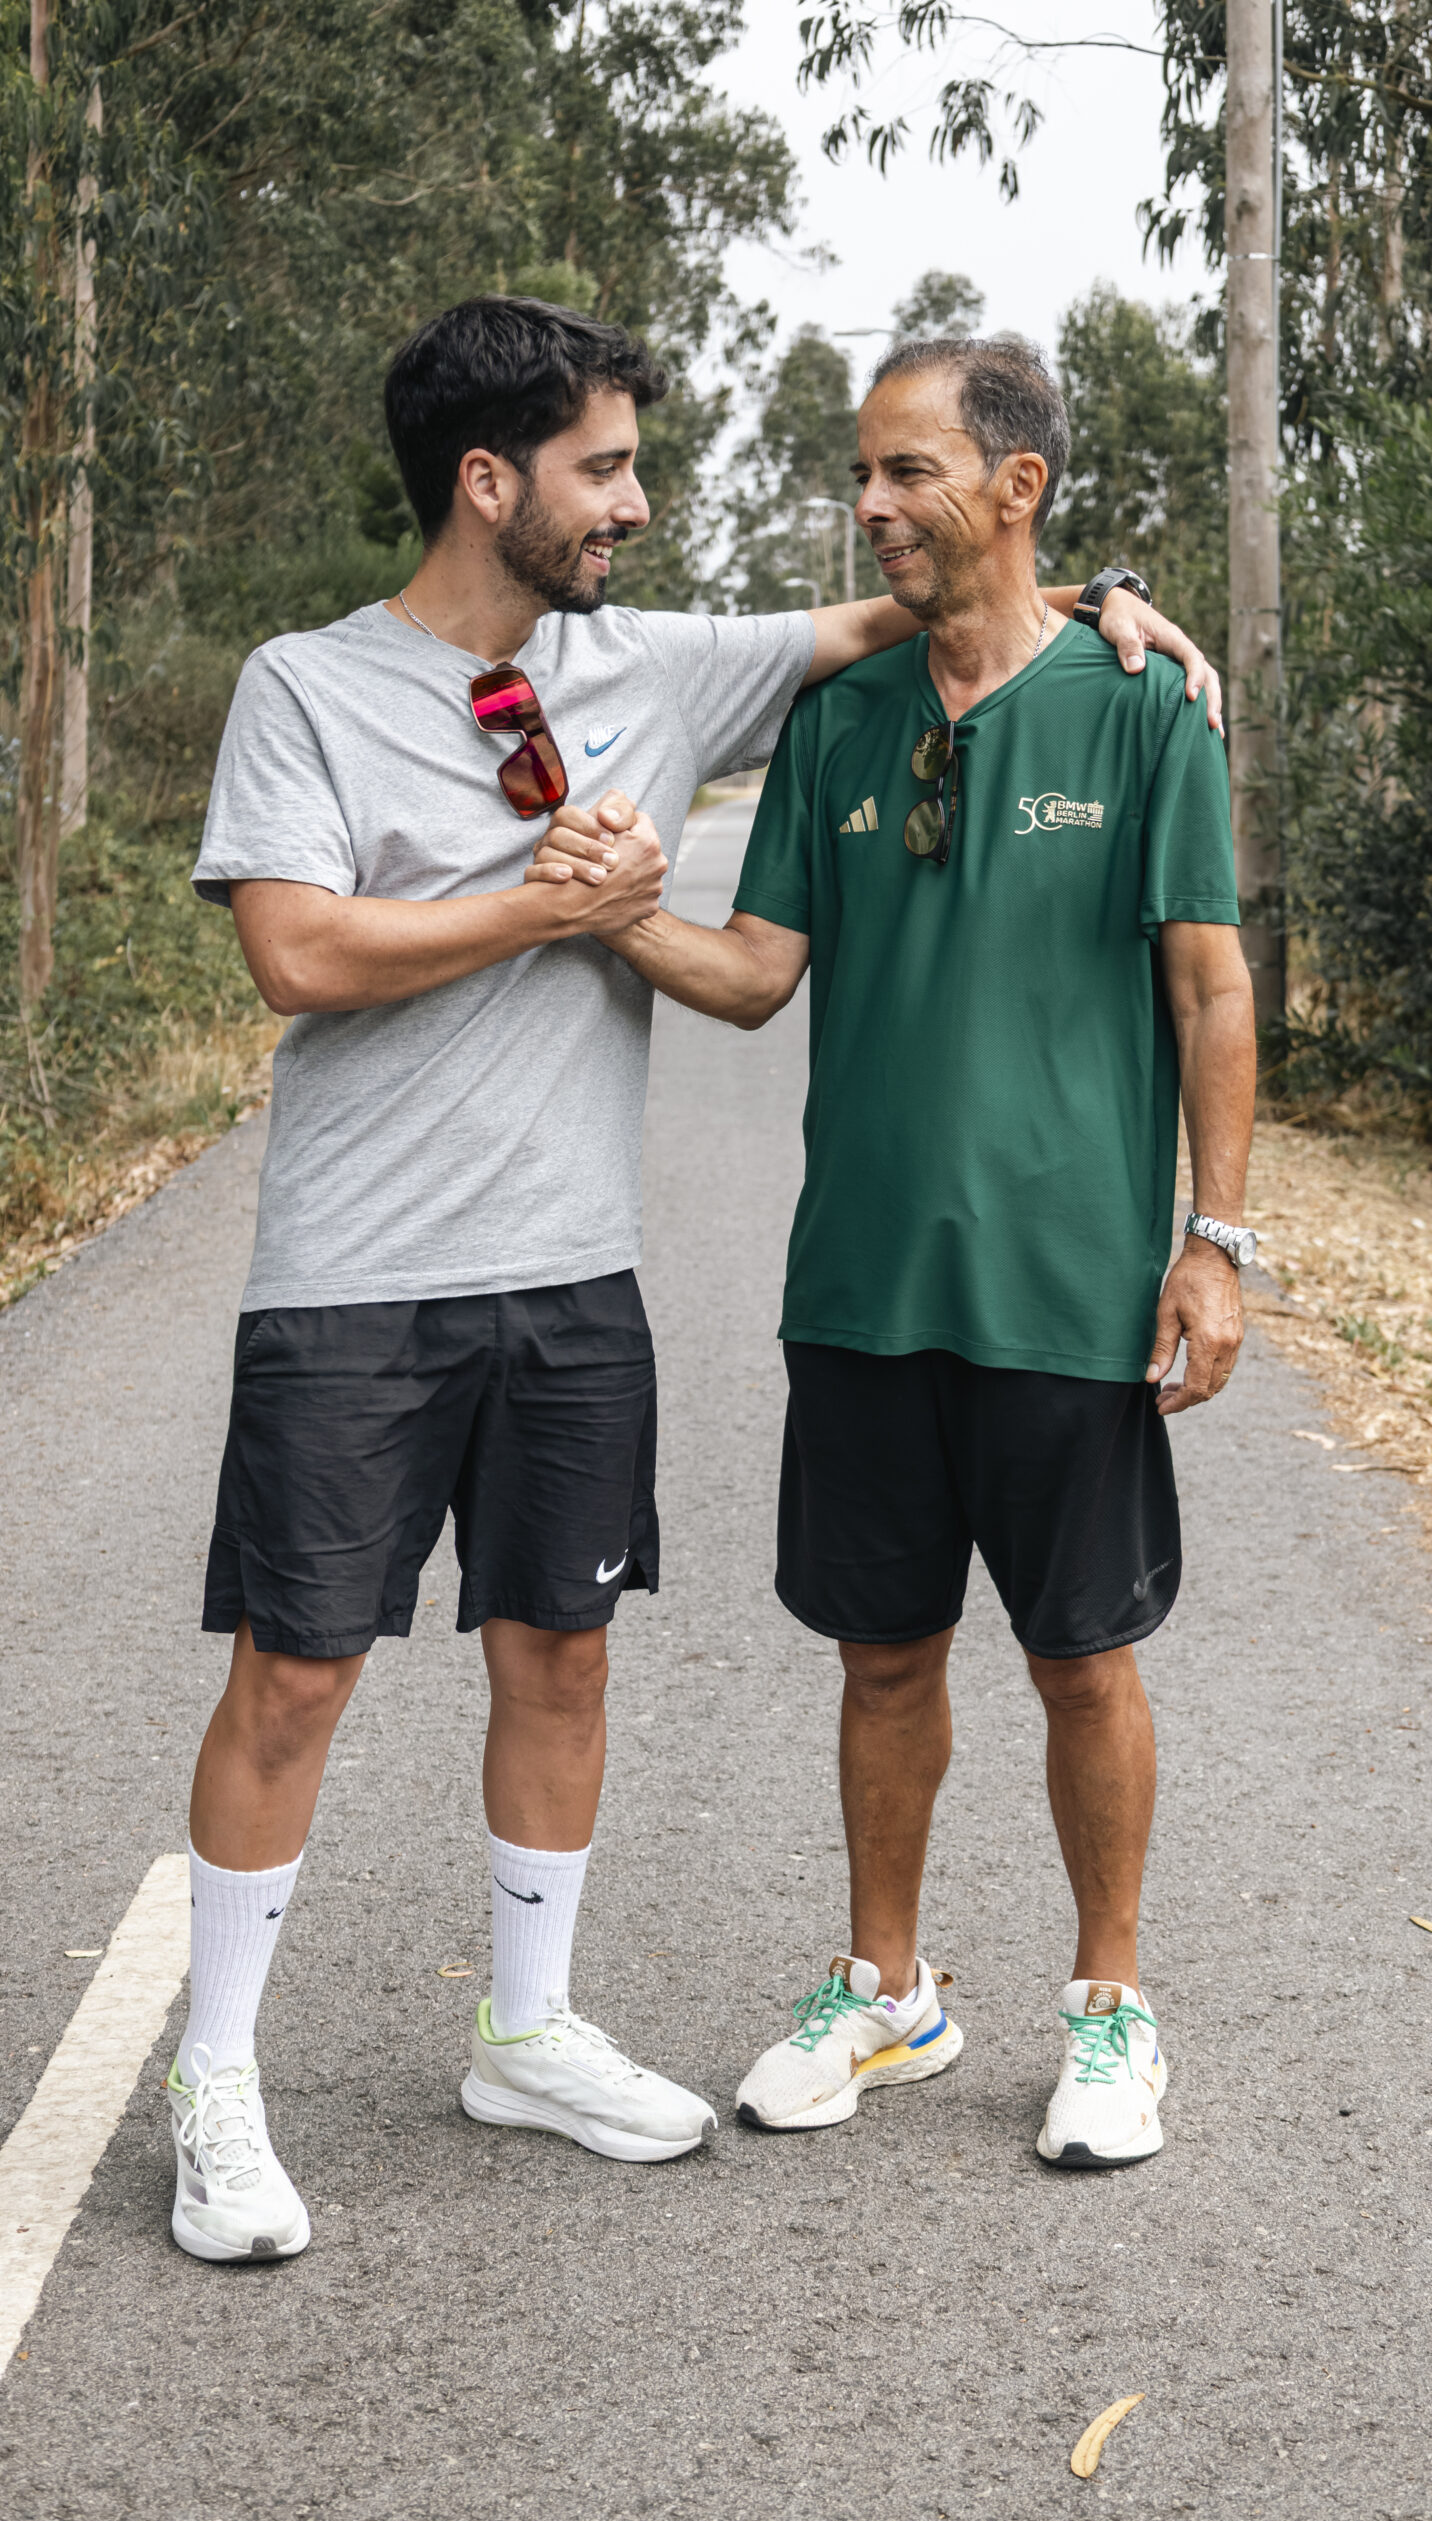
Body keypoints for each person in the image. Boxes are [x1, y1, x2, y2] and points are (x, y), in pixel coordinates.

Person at [172, 296, 1222, 2263]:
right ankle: (213, 2073)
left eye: (638, 467)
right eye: (606, 469)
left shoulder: (651, 668)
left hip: (578, 1273)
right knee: (297, 1670)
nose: (639, 506)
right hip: (354, 1275)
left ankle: (529, 2031)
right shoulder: (303, 686)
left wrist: (1113, 600)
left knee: (561, 1656)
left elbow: (932, 595)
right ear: (490, 482)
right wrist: (543, 906)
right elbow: (298, 954)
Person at [532, 331, 1254, 2171]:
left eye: (904, 472)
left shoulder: (1142, 709)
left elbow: (1209, 988)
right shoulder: (843, 720)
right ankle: (889, 1990)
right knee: (881, 1658)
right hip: (860, 1287)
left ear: (1017, 487)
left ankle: (1112, 2007)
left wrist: (1215, 1241)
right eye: (862, 473)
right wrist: (615, 916)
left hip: (1069, 1290)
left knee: (1083, 1659)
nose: (870, 505)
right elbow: (756, 974)